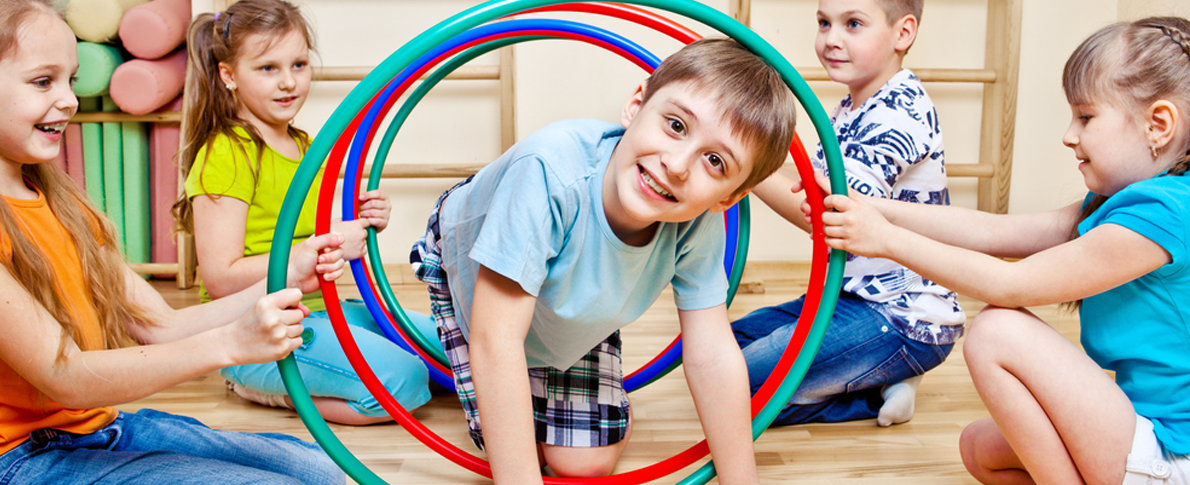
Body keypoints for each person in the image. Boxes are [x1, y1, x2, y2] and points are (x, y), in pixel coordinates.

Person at [812, 16, 1190, 485]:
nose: (1070, 135)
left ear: (1159, 125)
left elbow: (1010, 284)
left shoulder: (1166, 213)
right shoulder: (1120, 202)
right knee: (980, 449)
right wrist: (875, 209)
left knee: (996, 329)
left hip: (1174, 457)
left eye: (1086, 117)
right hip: (1148, 434)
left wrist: (886, 239)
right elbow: (995, 231)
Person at [409, 38, 795, 482]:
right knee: (522, 455)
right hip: (472, 264)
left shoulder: (697, 220)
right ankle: (433, 341)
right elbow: (496, 341)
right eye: (675, 125)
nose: (678, 165)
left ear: (729, 196)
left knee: (581, 464)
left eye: (714, 161)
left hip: (572, 298)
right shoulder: (549, 172)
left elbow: (710, 353)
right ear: (636, 104)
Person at [0, 1, 345, 483]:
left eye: (71, 80)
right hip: (22, 457)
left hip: (99, 427)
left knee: (320, 470)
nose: (69, 100)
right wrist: (231, 344)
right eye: (43, 82)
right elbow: (68, 377)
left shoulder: (63, 204)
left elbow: (160, 327)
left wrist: (289, 273)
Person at [173, 0, 442, 426]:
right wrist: (326, 242)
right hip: (262, 328)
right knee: (404, 382)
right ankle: (255, 384)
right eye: (267, 68)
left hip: (321, 309)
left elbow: (314, 244)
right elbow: (220, 277)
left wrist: (364, 224)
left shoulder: (304, 145)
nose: (288, 83)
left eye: (298, 64)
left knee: (448, 342)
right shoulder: (226, 153)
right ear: (228, 75)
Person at [736, 0, 962, 428]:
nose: (831, 39)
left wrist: (744, 165)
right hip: (848, 299)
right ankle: (876, 376)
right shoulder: (851, 107)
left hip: (901, 317)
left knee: (737, 385)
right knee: (725, 348)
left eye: (853, 24)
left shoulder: (897, 113)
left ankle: (877, 390)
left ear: (903, 33)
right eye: (824, 23)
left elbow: (827, 216)